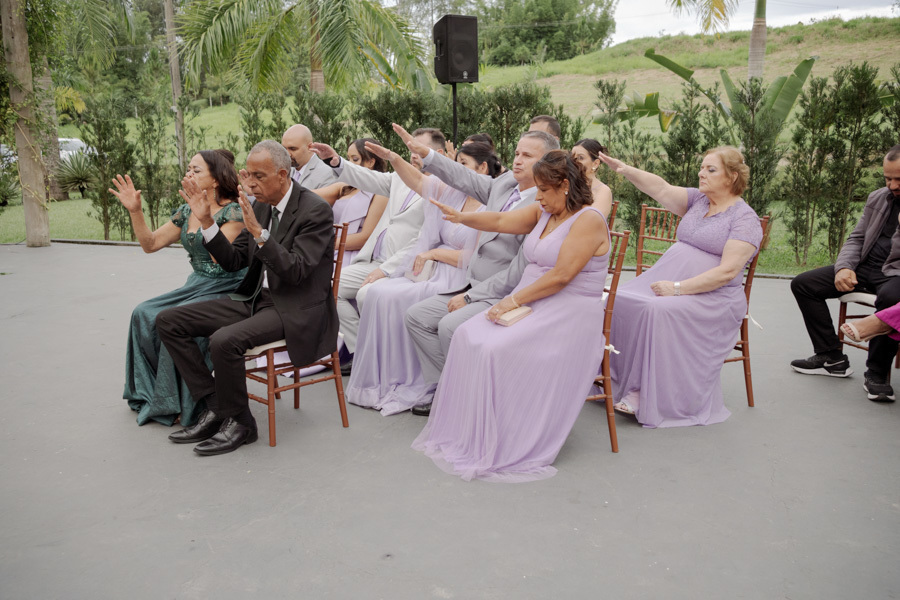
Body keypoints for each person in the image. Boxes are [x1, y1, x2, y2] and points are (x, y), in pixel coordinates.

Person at [412, 150, 610, 482]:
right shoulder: (546, 211)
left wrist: (511, 300)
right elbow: (502, 221)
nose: (539, 197)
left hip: (567, 309)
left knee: (494, 348)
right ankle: (479, 427)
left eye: (544, 190)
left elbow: (562, 276)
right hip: (533, 299)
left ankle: (510, 433)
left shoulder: (588, 219)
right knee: (465, 335)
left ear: (564, 186)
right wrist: (461, 219)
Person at [157, 140, 337, 456]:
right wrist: (208, 223)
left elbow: (295, 272)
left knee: (224, 341)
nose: (249, 182)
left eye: (258, 176)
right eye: (247, 174)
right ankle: (215, 406)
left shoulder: (315, 211)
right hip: (255, 298)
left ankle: (241, 424)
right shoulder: (261, 206)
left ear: (282, 174)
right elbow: (233, 260)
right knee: (169, 320)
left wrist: (260, 235)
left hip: (294, 307)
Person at [401, 126, 560, 415]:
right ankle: (448, 387)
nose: (517, 160)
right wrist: (427, 155)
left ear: (546, 162)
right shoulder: (506, 183)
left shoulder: (546, 203)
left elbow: (518, 270)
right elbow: (464, 177)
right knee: (417, 317)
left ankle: (471, 401)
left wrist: (472, 298)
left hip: (503, 293)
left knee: (450, 326)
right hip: (471, 284)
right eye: (516, 153)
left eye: (527, 155)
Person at [599, 146, 763, 428]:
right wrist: (625, 170)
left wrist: (677, 288)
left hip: (714, 298)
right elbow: (661, 188)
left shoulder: (745, 219)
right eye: (702, 167)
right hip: (670, 280)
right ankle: (609, 380)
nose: (702, 173)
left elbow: (727, 272)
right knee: (619, 300)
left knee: (656, 311)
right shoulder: (699, 200)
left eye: (711, 170)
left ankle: (642, 391)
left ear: (732, 177)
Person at [346, 142, 501, 415]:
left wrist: (436, 253)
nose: (456, 170)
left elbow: (476, 256)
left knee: (400, 298)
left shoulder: (492, 203)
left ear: (483, 168)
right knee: (379, 292)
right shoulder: (452, 193)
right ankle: (386, 379)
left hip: (458, 276)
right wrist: (394, 158)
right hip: (431, 267)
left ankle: (423, 381)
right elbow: (418, 181)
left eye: (462, 164)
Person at [113, 149, 246, 427]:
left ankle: (181, 404)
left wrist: (206, 216)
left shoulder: (234, 211)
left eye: (196, 170)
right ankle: (153, 393)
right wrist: (135, 211)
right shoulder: (185, 211)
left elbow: (221, 259)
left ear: (216, 179)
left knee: (178, 318)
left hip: (227, 286)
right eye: (188, 169)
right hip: (195, 284)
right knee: (143, 312)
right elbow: (150, 244)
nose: (188, 174)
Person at [310, 128, 446, 375]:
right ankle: (359, 349)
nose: (413, 155)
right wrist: (335, 161)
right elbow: (365, 178)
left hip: (404, 266)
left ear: (437, 154)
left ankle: (379, 357)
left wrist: (385, 270)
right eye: (410, 149)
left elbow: (424, 240)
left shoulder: (442, 189)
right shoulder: (398, 179)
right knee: (330, 288)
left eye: (418, 150)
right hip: (374, 257)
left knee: (366, 294)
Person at [790, 146, 900, 402]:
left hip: (895, 275)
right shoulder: (878, 198)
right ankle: (831, 356)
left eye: (899, 179)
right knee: (803, 284)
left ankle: (876, 373)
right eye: (887, 178)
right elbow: (857, 238)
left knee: (892, 299)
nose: (892, 185)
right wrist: (845, 267)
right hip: (864, 268)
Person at [312, 138, 389, 265]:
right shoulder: (344, 186)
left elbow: (366, 238)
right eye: (348, 159)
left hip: (352, 256)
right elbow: (309, 196)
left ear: (371, 162)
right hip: (329, 248)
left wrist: (324, 243)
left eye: (355, 159)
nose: (349, 163)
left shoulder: (381, 193)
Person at [282, 124, 338, 190]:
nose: (288, 154)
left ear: (310, 147)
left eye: (293, 149)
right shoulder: (286, 170)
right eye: (284, 148)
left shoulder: (327, 175)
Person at [571, 138, 613, 219]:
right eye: (572, 157)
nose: (574, 161)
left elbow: (592, 220)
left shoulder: (603, 191)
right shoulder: (567, 184)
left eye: (580, 158)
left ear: (595, 163)